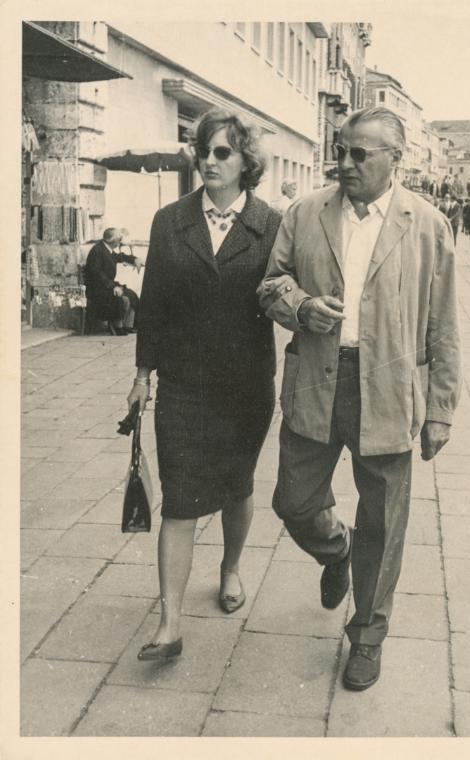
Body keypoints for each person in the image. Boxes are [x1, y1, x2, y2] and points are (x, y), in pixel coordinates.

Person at [258, 106, 462, 692]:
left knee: (384, 520)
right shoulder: (305, 212)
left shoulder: (426, 224)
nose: (343, 162)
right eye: (341, 150)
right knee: (294, 501)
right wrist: (301, 307)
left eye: (359, 153)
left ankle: (367, 636)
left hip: (391, 389)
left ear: (395, 159)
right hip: (317, 381)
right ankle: (334, 550)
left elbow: (444, 324)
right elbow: (270, 284)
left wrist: (441, 407)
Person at [128, 109, 282, 661]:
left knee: (238, 487)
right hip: (184, 385)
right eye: (204, 151)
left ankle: (232, 567)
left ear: (246, 162)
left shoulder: (271, 224)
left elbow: (285, 296)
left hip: (244, 389)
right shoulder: (169, 221)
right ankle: (170, 623)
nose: (209, 161)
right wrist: (143, 374)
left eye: (222, 153)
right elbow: (153, 305)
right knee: (179, 499)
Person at [84, 228, 142, 335]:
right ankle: (117, 326)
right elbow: (97, 274)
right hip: (97, 288)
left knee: (132, 295)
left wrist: (135, 259)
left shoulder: (107, 249)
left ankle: (127, 325)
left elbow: (120, 257)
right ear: (111, 240)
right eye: (119, 238)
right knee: (120, 297)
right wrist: (112, 287)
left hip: (106, 285)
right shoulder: (97, 251)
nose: (120, 240)